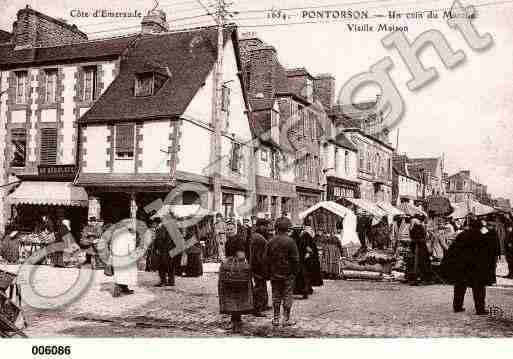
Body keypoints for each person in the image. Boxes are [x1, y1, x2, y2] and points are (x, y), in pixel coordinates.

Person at [441, 217, 497, 315]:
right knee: (479, 288)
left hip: (463, 265)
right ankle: (480, 309)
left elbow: (453, 250)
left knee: (460, 286)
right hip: (478, 266)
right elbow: (490, 249)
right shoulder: (483, 235)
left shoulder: (462, 234)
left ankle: (457, 306)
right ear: (480, 226)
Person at [219, 219, 253, 333]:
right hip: (232, 272)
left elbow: (241, 256)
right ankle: (235, 320)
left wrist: (227, 260)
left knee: (235, 296)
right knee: (233, 296)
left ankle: (236, 321)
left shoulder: (238, 240)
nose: (229, 231)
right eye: (227, 229)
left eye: (231, 229)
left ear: (235, 229)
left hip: (236, 272)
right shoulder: (230, 240)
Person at [265, 217, 299, 327]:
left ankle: (275, 318)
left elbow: (265, 259)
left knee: (276, 296)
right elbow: (295, 259)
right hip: (288, 274)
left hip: (274, 274)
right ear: (287, 228)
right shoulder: (291, 241)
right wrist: (294, 272)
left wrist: (270, 271)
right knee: (287, 295)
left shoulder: (271, 241)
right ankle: (286, 319)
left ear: (276, 228)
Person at [111, 222, 138, 297]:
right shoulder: (129, 235)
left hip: (116, 256)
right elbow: (131, 249)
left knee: (119, 273)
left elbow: (111, 246)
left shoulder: (115, 234)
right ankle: (117, 291)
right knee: (124, 274)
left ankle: (124, 288)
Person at [250, 218, 269, 316]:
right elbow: (257, 256)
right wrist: (262, 268)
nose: (266, 228)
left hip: (258, 266)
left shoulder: (257, 236)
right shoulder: (258, 238)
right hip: (258, 267)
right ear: (260, 226)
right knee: (259, 287)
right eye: (265, 226)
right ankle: (256, 308)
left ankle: (263, 304)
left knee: (262, 285)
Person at [154, 216, 176, 287]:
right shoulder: (168, 227)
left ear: (156, 223)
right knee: (170, 266)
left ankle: (163, 281)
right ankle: (171, 281)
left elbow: (161, 239)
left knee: (161, 266)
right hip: (170, 250)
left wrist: (158, 249)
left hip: (164, 250)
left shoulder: (161, 228)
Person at [409, 215, 432, 285]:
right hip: (419, 246)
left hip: (420, 247)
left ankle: (422, 278)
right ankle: (421, 278)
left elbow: (415, 237)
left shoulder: (418, 227)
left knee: (421, 262)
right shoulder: (420, 226)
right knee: (420, 263)